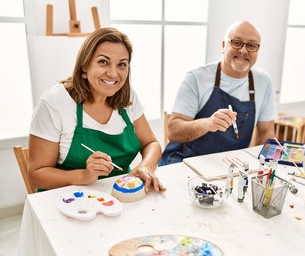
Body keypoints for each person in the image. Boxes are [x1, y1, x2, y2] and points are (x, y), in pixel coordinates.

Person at [28, 27, 165, 193]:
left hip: (119, 194)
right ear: (85, 65)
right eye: (103, 62)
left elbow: (151, 143)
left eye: (122, 64)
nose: (113, 73)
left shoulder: (127, 96)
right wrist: (83, 175)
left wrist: (145, 166)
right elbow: (36, 175)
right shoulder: (54, 103)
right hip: (67, 200)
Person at [159, 20, 276, 166]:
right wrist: (208, 124)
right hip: (186, 162)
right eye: (237, 42)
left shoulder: (263, 81)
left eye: (251, 46)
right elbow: (173, 131)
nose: (244, 51)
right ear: (223, 45)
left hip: (231, 166)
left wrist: (268, 166)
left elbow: (266, 132)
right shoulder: (197, 78)